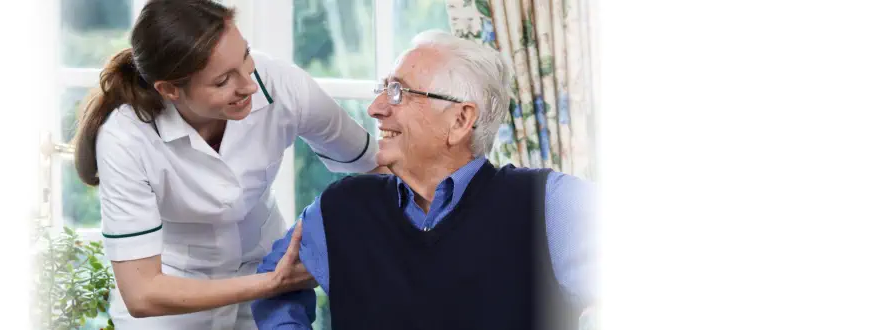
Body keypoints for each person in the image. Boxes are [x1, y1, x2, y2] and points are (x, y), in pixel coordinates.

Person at [252, 30, 595, 330]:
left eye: (399, 92)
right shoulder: (340, 207)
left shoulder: (551, 203)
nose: (375, 107)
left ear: (461, 120)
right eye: (383, 89)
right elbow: (273, 285)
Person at [70, 0, 382, 329]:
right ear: (170, 89)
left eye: (245, 56)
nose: (248, 85)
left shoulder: (281, 85)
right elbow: (142, 292)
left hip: (267, 277)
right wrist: (274, 282)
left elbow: (376, 166)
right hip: (174, 299)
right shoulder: (126, 136)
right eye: (222, 82)